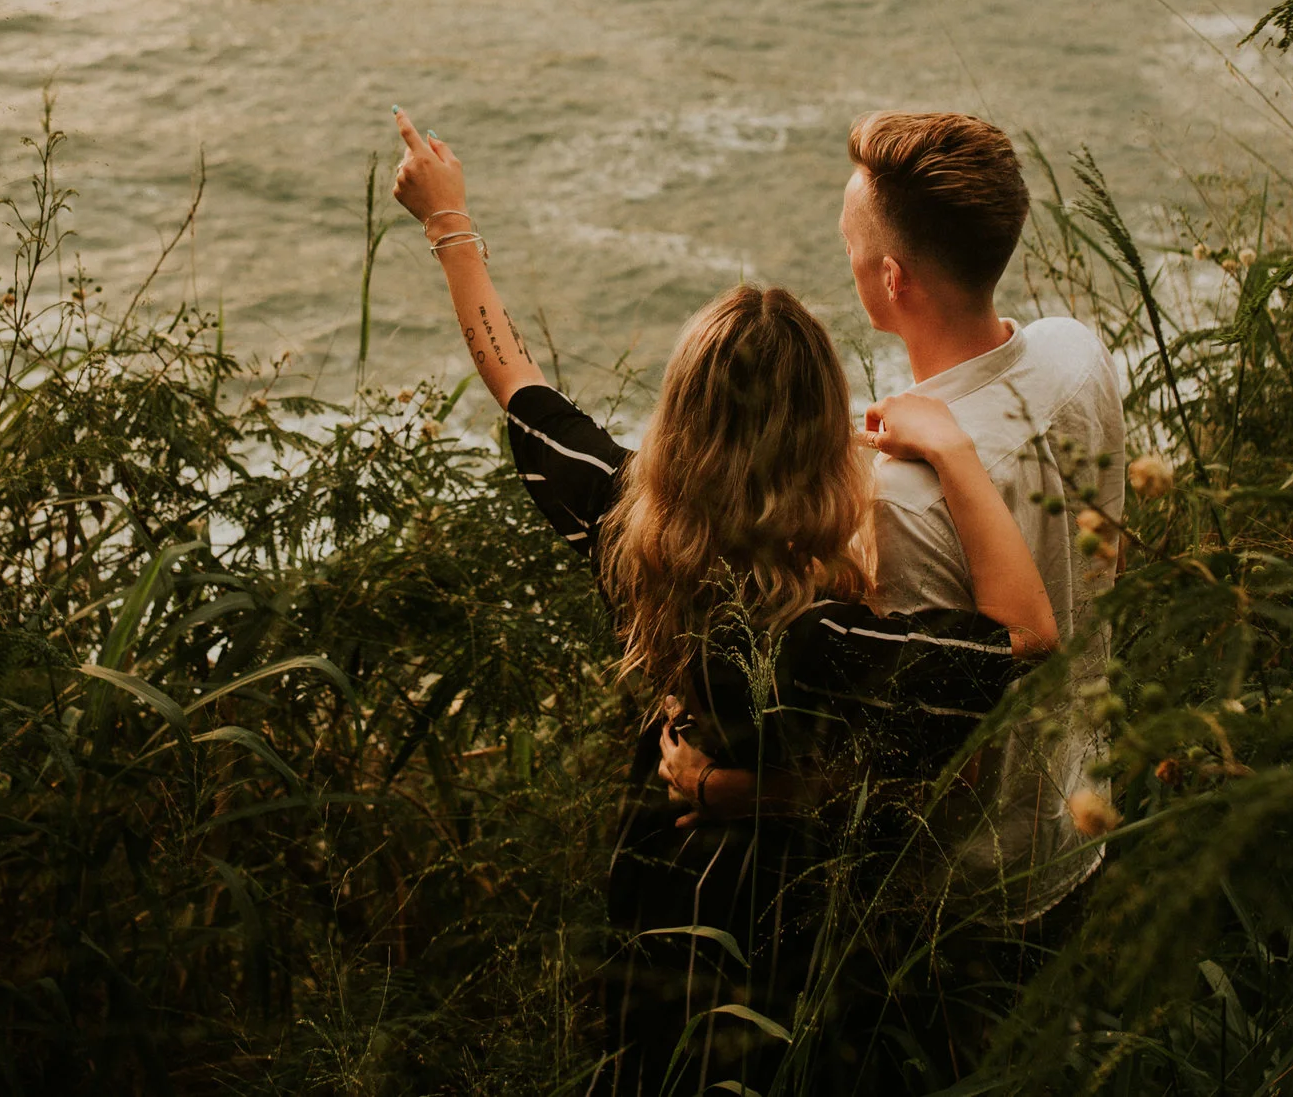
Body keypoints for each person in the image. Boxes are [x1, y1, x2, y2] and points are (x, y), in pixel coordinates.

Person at [389, 109, 1061, 1095]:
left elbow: (516, 382)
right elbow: (1023, 635)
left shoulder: (635, 532)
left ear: (679, 423)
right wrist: (953, 453)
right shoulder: (822, 637)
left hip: (662, 904)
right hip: (784, 957)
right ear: (824, 434)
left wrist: (450, 223)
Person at [837, 110, 1127, 938]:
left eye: (849, 241)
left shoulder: (902, 495)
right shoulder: (1078, 352)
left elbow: (927, 753)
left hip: (965, 892)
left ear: (891, 279)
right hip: (1082, 813)